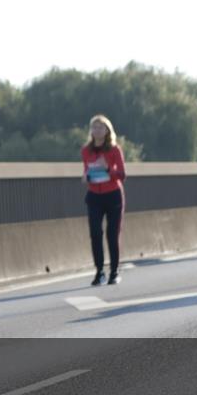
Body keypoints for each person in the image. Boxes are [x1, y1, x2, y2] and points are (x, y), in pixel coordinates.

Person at [80, 115, 127, 286]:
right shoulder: (86, 151)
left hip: (113, 194)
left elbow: (122, 175)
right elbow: (87, 170)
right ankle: (99, 271)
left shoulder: (114, 150)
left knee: (112, 235)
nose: (97, 130)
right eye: (94, 127)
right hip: (94, 196)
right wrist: (85, 177)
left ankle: (114, 271)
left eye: (100, 127)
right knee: (95, 234)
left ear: (107, 130)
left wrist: (108, 168)